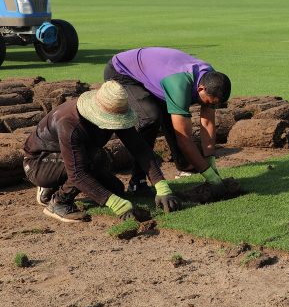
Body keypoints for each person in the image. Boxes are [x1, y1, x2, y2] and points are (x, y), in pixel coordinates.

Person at [23, 81, 180, 223]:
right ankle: (59, 202)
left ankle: (58, 183)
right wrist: (116, 204)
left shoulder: (115, 110)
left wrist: (162, 186)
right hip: (39, 162)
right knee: (90, 160)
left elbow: (140, 149)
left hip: (74, 158)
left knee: (116, 190)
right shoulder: (70, 124)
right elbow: (78, 173)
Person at [103, 47, 231, 197]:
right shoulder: (179, 86)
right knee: (150, 117)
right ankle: (138, 181)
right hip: (122, 72)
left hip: (155, 73)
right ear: (201, 88)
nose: (210, 107)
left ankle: (183, 163)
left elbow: (208, 123)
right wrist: (211, 177)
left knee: (174, 117)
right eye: (209, 102)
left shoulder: (213, 80)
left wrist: (210, 160)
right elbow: (184, 139)